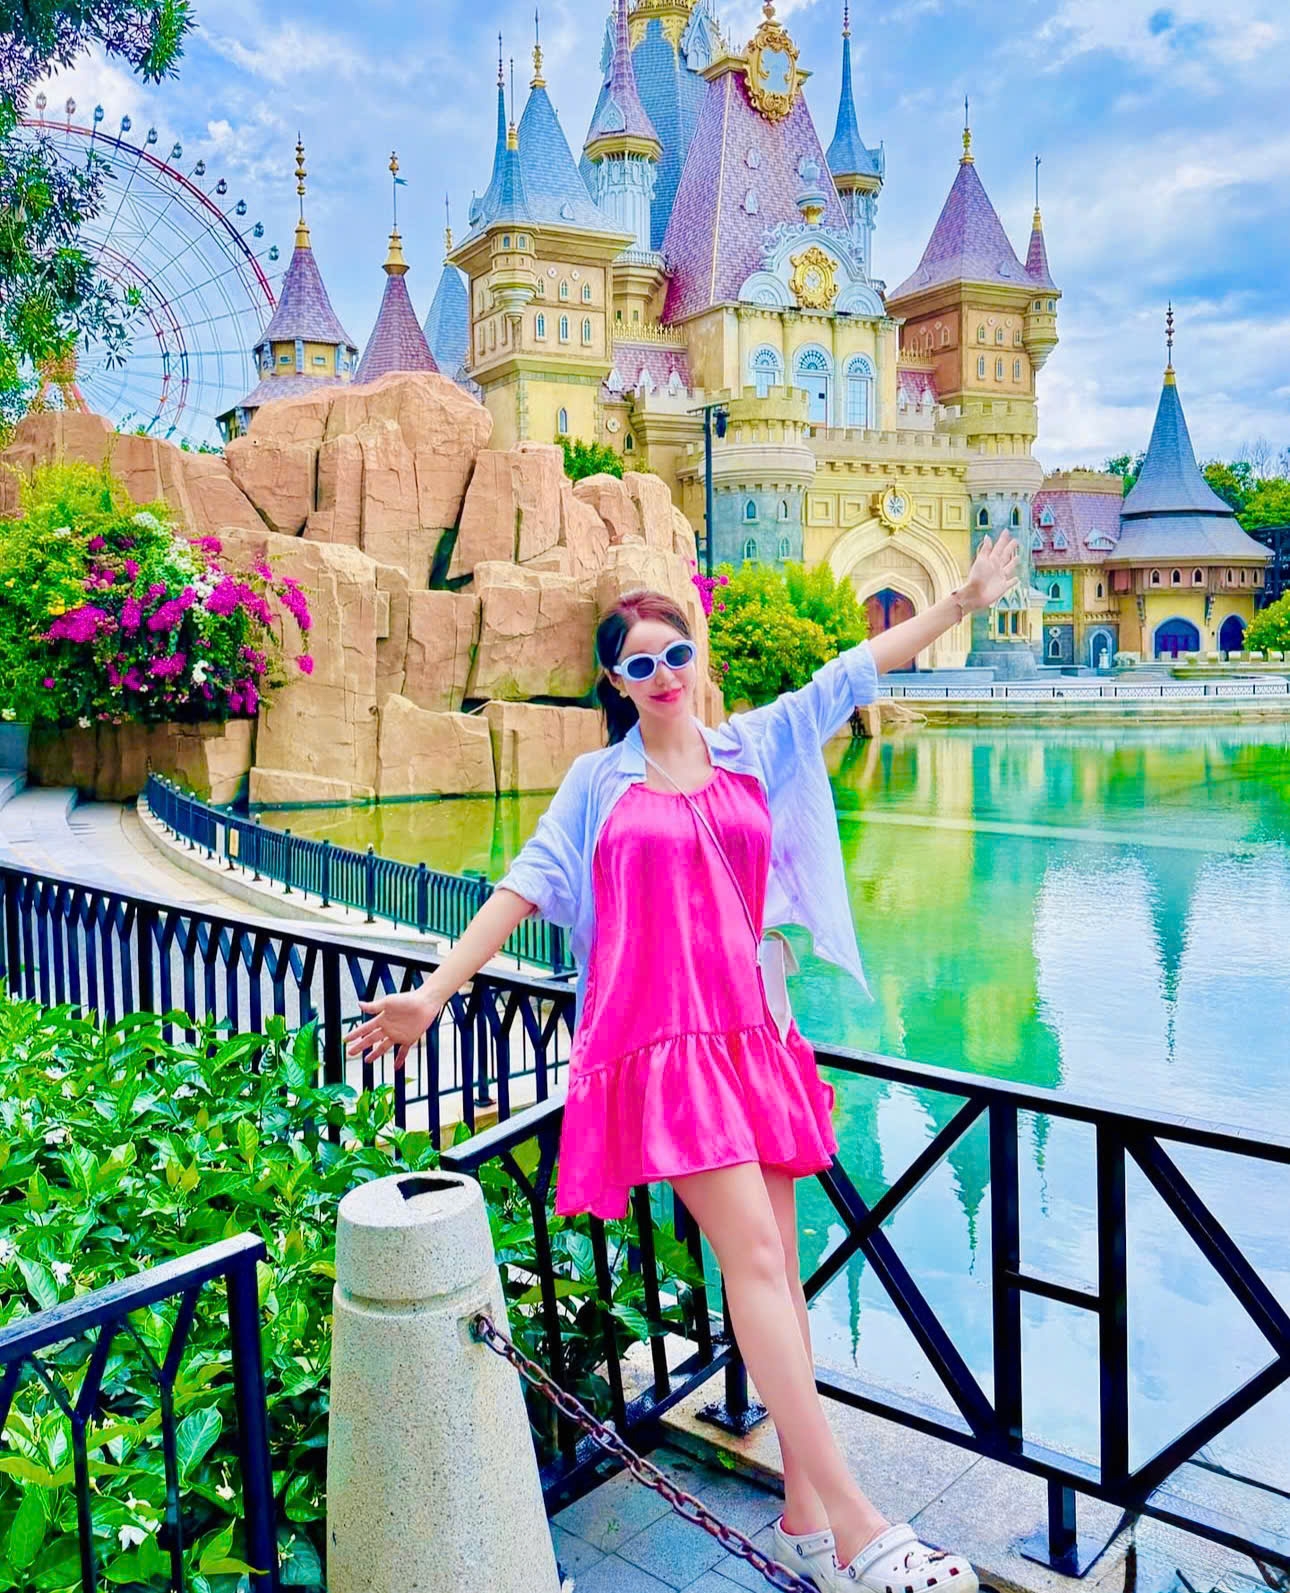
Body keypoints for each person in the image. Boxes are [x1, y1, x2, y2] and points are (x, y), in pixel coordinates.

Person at [348, 534, 1019, 1592]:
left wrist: (963, 602)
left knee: (781, 1275)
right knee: (752, 1260)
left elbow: (851, 671)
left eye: (675, 654)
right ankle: (860, 1528)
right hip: (664, 1052)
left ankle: (803, 1519)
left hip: (755, 1036)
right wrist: (433, 993)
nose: (663, 675)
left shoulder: (750, 745)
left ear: (696, 657)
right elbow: (525, 884)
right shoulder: (597, 784)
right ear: (615, 681)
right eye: (640, 664)